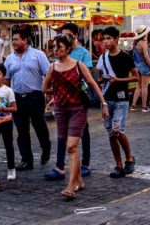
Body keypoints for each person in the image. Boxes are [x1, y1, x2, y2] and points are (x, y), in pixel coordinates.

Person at [42, 33, 107, 201]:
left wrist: (103, 104)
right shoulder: (52, 67)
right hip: (61, 111)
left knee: (71, 146)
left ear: (68, 49)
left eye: (59, 48)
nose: (55, 51)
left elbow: (92, 83)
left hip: (78, 109)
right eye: (54, 47)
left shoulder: (78, 65)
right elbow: (45, 88)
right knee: (70, 146)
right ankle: (78, 179)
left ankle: (71, 186)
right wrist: (58, 93)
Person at [46, 23, 93, 181]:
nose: (62, 38)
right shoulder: (57, 58)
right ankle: (60, 166)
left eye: (66, 35)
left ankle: (85, 164)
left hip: (79, 101)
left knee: (83, 132)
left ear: (74, 36)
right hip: (63, 102)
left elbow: (86, 79)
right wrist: (56, 95)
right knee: (61, 135)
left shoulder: (83, 54)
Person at [4, 26, 51, 171]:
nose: (14, 42)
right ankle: (26, 160)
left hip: (35, 96)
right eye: (13, 40)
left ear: (25, 40)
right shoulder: (10, 59)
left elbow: (48, 74)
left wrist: (49, 91)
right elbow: (7, 79)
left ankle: (46, 149)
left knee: (39, 126)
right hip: (17, 98)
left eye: (16, 39)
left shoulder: (38, 55)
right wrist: (6, 96)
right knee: (21, 130)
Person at [96, 27, 136, 178]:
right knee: (111, 133)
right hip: (106, 99)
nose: (105, 41)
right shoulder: (103, 58)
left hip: (121, 99)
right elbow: (99, 78)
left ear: (116, 39)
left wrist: (118, 80)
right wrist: (101, 79)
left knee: (118, 130)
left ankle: (129, 158)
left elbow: (135, 77)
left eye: (108, 38)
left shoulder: (125, 57)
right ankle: (118, 165)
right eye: (104, 39)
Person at [130, 25, 150, 112]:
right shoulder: (143, 42)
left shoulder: (136, 42)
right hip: (144, 66)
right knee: (144, 87)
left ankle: (133, 105)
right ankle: (144, 107)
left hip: (137, 66)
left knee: (138, 86)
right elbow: (146, 56)